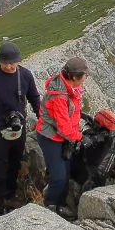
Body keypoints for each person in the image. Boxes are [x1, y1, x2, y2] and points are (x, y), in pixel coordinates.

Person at [0, 42, 41, 217]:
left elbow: (34, 98)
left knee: (15, 164)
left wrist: (42, 118)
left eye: (13, 63)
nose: (10, 66)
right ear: (0, 61)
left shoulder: (25, 75)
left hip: (18, 127)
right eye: (6, 63)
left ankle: (10, 198)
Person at [35, 56, 90, 219]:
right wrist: (79, 137)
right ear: (74, 77)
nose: (86, 78)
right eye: (84, 75)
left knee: (65, 172)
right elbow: (63, 127)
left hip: (63, 137)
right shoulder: (60, 96)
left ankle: (58, 205)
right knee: (59, 176)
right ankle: (49, 209)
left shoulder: (71, 89)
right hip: (50, 137)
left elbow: (71, 116)